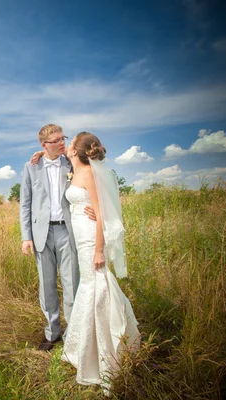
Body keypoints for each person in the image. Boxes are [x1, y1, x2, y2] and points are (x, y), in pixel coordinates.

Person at [56, 131, 140, 391]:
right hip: (80, 239)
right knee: (89, 288)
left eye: (70, 143)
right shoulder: (75, 170)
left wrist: (99, 250)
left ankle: (109, 350)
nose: (67, 146)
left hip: (92, 240)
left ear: (76, 150)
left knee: (98, 286)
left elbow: (101, 211)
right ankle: (84, 348)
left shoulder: (90, 174)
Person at [19, 124, 95, 351]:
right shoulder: (31, 167)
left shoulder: (71, 162)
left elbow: (91, 176)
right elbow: (25, 204)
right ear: (44, 145)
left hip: (68, 231)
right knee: (47, 285)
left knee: (72, 283)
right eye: (57, 140)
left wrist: (92, 207)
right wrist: (26, 237)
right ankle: (52, 333)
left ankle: (73, 333)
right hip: (40, 233)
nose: (63, 143)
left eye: (64, 139)